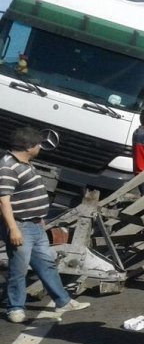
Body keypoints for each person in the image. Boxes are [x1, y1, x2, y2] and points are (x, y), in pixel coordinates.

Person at [2, 126, 90, 323]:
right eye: (38, 144)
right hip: (21, 226)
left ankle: (63, 301)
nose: (40, 148)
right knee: (19, 269)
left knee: (46, 264)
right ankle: (15, 307)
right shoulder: (8, 167)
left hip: (34, 225)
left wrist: (40, 217)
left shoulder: (25, 163)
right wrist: (13, 229)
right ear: (29, 147)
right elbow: (4, 200)